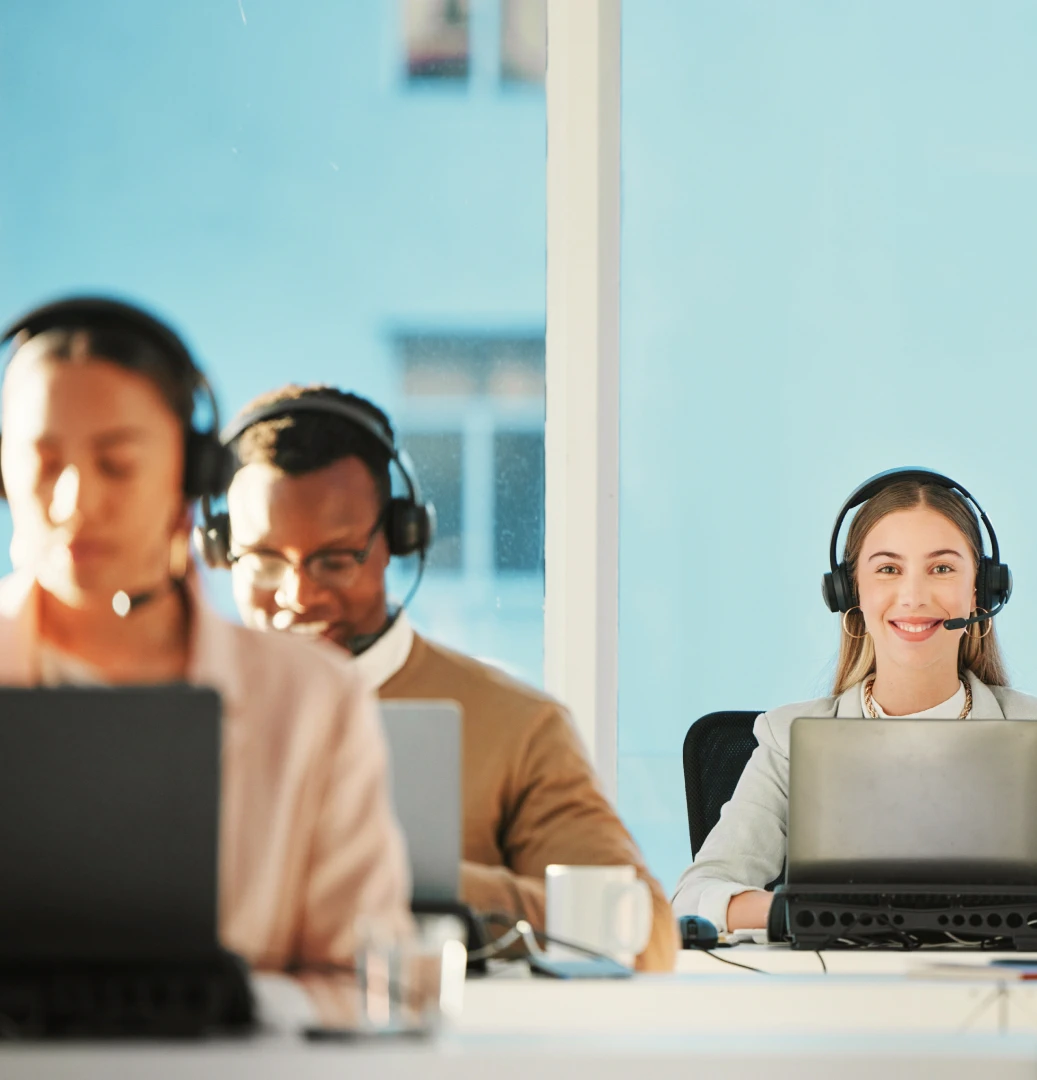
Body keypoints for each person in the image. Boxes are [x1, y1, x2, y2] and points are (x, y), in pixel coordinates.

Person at [0, 298, 409, 1022]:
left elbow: (370, 986)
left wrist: (237, 1007)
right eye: (42, 461)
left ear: (189, 478)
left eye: (117, 464)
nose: (73, 501)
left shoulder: (312, 700)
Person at [214, 384, 675, 971]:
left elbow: (646, 934)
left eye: (335, 559)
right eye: (264, 559)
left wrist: (402, 882)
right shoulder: (170, 709)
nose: (297, 594)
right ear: (220, 550)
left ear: (399, 541)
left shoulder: (517, 725)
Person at [672, 468, 1037, 931]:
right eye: (887, 569)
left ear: (980, 591)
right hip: (840, 999)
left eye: (942, 567)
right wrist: (809, 913)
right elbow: (695, 898)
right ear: (849, 591)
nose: (913, 595)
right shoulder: (787, 739)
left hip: (992, 997)